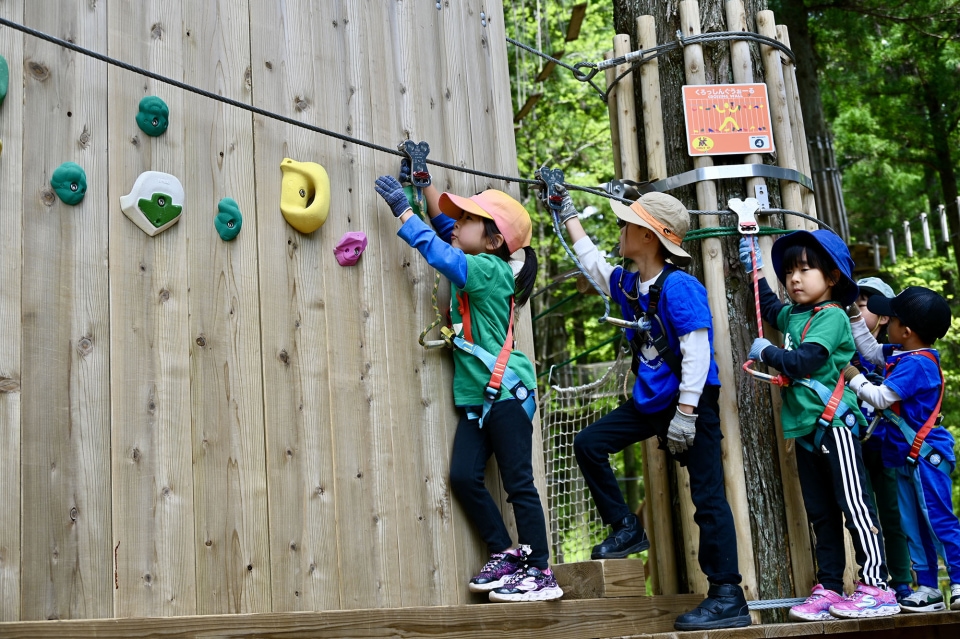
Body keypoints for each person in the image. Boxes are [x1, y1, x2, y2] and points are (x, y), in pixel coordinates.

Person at [558, 190, 750, 631]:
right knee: (589, 443)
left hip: (690, 401)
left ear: (645, 235)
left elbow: (698, 350)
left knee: (707, 497)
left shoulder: (679, 286)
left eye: (626, 225)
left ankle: (727, 596)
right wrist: (566, 213)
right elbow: (593, 263)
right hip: (652, 402)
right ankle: (626, 527)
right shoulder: (629, 284)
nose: (620, 232)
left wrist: (685, 414)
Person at [374, 168, 563, 603]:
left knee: (519, 483)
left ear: (494, 241)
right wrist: (423, 184)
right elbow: (449, 229)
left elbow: (442, 251)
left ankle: (540, 571)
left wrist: (403, 210)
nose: (457, 224)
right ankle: (506, 552)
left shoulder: (489, 270)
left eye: (469, 220)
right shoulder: (483, 257)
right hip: (483, 399)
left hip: (507, 396)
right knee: (463, 477)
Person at [739, 231, 899, 620]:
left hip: (834, 426)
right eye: (790, 271)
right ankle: (829, 586)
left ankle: (877, 586)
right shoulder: (794, 314)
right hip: (805, 429)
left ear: (831, 278)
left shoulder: (830, 317)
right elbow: (768, 304)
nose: (794, 278)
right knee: (822, 512)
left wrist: (769, 352)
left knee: (855, 505)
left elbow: (803, 362)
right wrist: (753, 267)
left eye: (805, 270)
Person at [845, 286, 960, 612]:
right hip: (907, 458)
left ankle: (959, 580)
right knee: (912, 524)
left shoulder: (918, 365)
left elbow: (881, 397)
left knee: (938, 521)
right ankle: (927, 587)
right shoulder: (903, 352)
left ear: (905, 330)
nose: (887, 321)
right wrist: (855, 318)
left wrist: (853, 377)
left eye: (891, 318)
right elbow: (869, 349)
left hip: (925, 457)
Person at [850, 277, 915, 604]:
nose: (858, 313)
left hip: (887, 445)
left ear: (886, 316)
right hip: (853, 444)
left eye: (863, 306)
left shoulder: (898, 355)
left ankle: (903, 583)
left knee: (893, 514)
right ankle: (873, 583)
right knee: (863, 513)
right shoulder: (847, 347)